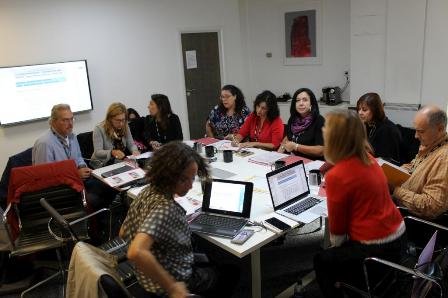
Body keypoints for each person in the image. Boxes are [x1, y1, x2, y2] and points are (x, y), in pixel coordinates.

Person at [313, 109, 405, 298]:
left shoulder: (337, 176)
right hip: (398, 235)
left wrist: (336, 251)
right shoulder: (369, 158)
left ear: (334, 137)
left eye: (326, 128)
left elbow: (337, 234)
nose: (323, 130)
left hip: (375, 247)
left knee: (322, 259)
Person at [119, 142, 221, 297]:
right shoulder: (165, 208)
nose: (190, 185)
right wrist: (172, 287)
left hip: (144, 277)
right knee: (227, 272)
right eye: (183, 180)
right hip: (169, 283)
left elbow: (123, 232)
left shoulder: (147, 191)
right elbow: (136, 251)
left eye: (192, 178)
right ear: (167, 176)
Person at [32, 104, 116, 210]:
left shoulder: (71, 136)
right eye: (65, 120)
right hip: (61, 190)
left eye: (72, 119)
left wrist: (82, 167)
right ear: (53, 122)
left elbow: (78, 157)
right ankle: (96, 222)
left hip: (77, 182)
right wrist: (75, 175)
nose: (70, 124)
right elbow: (44, 178)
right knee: (95, 198)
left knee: (111, 186)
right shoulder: (44, 143)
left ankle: (102, 220)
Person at [391, 105, 448, 219]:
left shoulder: (444, 158)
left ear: (440, 129)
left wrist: (395, 190)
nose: (416, 136)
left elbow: (432, 206)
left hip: (413, 221)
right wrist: (401, 169)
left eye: (421, 131)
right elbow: (415, 167)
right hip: (402, 209)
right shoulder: (430, 145)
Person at [278, 88, 324, 159]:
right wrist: (276, 156)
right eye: (298, 100)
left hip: (313, 164)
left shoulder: (319, 120)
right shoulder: (293, 119)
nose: (301, 103)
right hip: (294, 160)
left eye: (305, 100)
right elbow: (287, 138)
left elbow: (321, 150)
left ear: (311, 103)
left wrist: (296, 147)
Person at [91, 102, 140, 168]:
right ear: (110, 118)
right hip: (102, 163)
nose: (121, 123)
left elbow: (131, 144)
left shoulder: (125, 126)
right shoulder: (99, 129)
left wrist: (135, 151)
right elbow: (97, 152)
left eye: (123, 120)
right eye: (118, 120)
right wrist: (112, 152)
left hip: (117, 161)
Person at [357, 92, 402, 162]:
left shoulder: (387, 130)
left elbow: (389, 160)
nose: (360, 112)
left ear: (375, 110)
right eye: (359, 109)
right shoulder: (368, 124)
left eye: (364, 110)